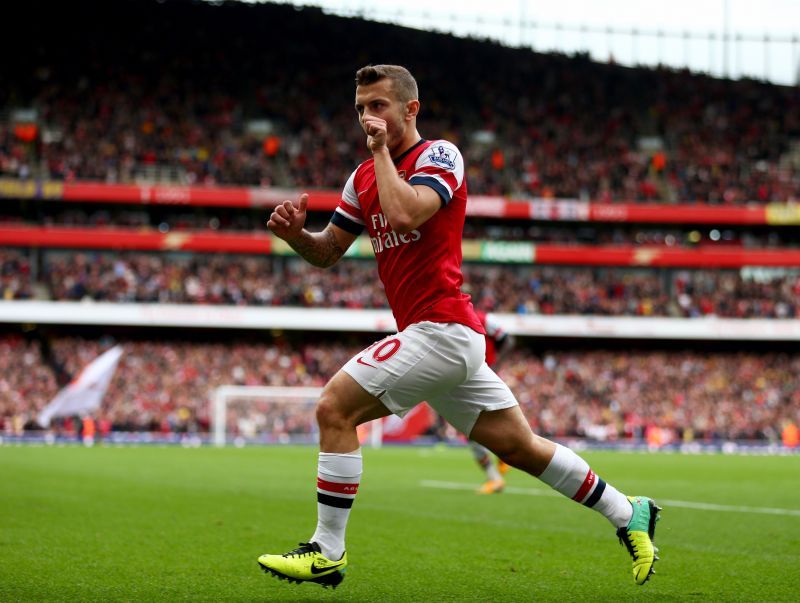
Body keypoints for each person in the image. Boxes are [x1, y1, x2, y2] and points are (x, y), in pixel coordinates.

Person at [257, 64, 661, 589]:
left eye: (377, 105)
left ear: (410, 109)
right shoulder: (360, 179)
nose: (366, 118)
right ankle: (628, 512)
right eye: (360, 108)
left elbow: (406, 215)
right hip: (442, 339)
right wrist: (296, 237)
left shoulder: (439, 156)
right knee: (520, 447)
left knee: (334, 407)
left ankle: (326, 552)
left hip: (441, 330)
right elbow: (329, 252)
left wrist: (381, 153)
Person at [470, 310, 513, 494]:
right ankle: (503, 455)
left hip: (482, 378)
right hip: (467, 379)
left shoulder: (484, 318)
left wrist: (495, 366)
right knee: (478, 428)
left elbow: (509, 340)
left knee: (472, 430)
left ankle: (495, 476)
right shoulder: (450, 318)